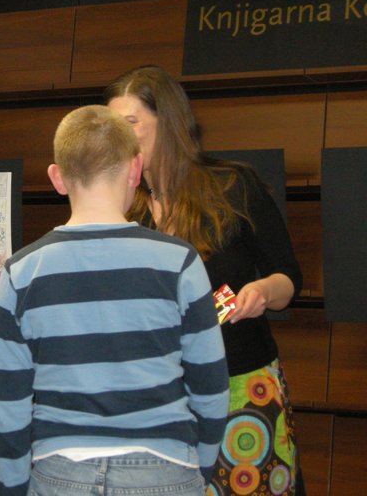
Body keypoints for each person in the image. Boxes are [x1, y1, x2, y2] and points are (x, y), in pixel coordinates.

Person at [0, 105, 230, 496]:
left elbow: (9, 408)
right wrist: (195, 468)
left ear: (57, 178)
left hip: (60, 473)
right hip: (166, 470)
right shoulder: (180, 263)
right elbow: (211, 388)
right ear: (135, 169)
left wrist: (13, 489)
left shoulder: (20, 274)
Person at [105, 65, 304, 496]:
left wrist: (263, 291)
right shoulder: (119, 206)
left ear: (167, 121)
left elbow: (289, 278)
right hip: (154, 396)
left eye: (130, 122)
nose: (118, 136)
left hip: (239, 386)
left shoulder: (233, 185)